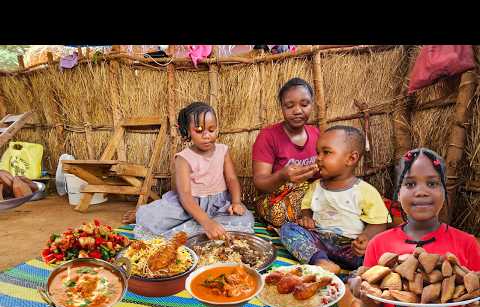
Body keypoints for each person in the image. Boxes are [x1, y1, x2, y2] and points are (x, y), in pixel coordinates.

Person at [349, 148, 480, 307]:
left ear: (444, 192)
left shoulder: (466, 243)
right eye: (410, 184)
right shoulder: (379, 244)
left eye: (432, 183)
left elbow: (473, 306)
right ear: (397, 193)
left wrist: (475, 298)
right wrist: (365, 296)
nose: (421, 192)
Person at [132, 102, 254, 240]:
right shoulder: (183, 158)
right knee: (152, 218)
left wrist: (236, 202)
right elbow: (184, 195)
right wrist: (207, 222)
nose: (207, 135)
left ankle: (194, 228)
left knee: (245, 219)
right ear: (188, 131)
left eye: (212, 129)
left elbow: (232, 179)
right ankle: (142, 214)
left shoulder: (223, 151)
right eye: (199, 130)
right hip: (188, 205)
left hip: (219, 205)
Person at [280, 125, 390, 274]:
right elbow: (307, 207)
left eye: (326, 152)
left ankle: (355, 276)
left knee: (378, 253)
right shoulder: (315, 186)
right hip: (318, 242)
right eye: (318, 153)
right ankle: (321, 261)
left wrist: (365, 238)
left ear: (351, 158)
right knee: (288, 229)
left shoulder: (365, 191)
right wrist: (306, 218)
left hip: (351, 248)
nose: (318, 158)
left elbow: (379, 222)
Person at [252, 77, 320, 228]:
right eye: (289, 106)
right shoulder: (268, 136)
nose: (297, 111)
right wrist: (282, 176)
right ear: (281, 107)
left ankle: (308, 218)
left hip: (313, 196)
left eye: (304, 104)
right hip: (279, 196)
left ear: (312, 104)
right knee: (278, 212)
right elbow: (260, 183)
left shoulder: (317, 134)